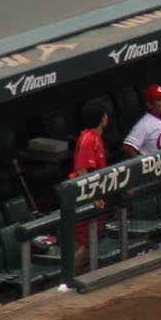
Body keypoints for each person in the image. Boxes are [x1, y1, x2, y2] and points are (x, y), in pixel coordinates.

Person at [69, 100, 110, 271]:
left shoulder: (94, 138)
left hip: (90, 197)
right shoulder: (88, 139)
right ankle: (64, 281)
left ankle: (71, 279)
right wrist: (94, 196)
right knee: (85, 245)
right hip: (84, 199)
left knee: (89, 244)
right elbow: (81, 169)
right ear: (102, 119)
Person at [121, 85, 161, 158]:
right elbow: (127, 147)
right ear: (149, 104)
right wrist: (143, 163)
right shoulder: (145, 124)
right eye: (159, 100)